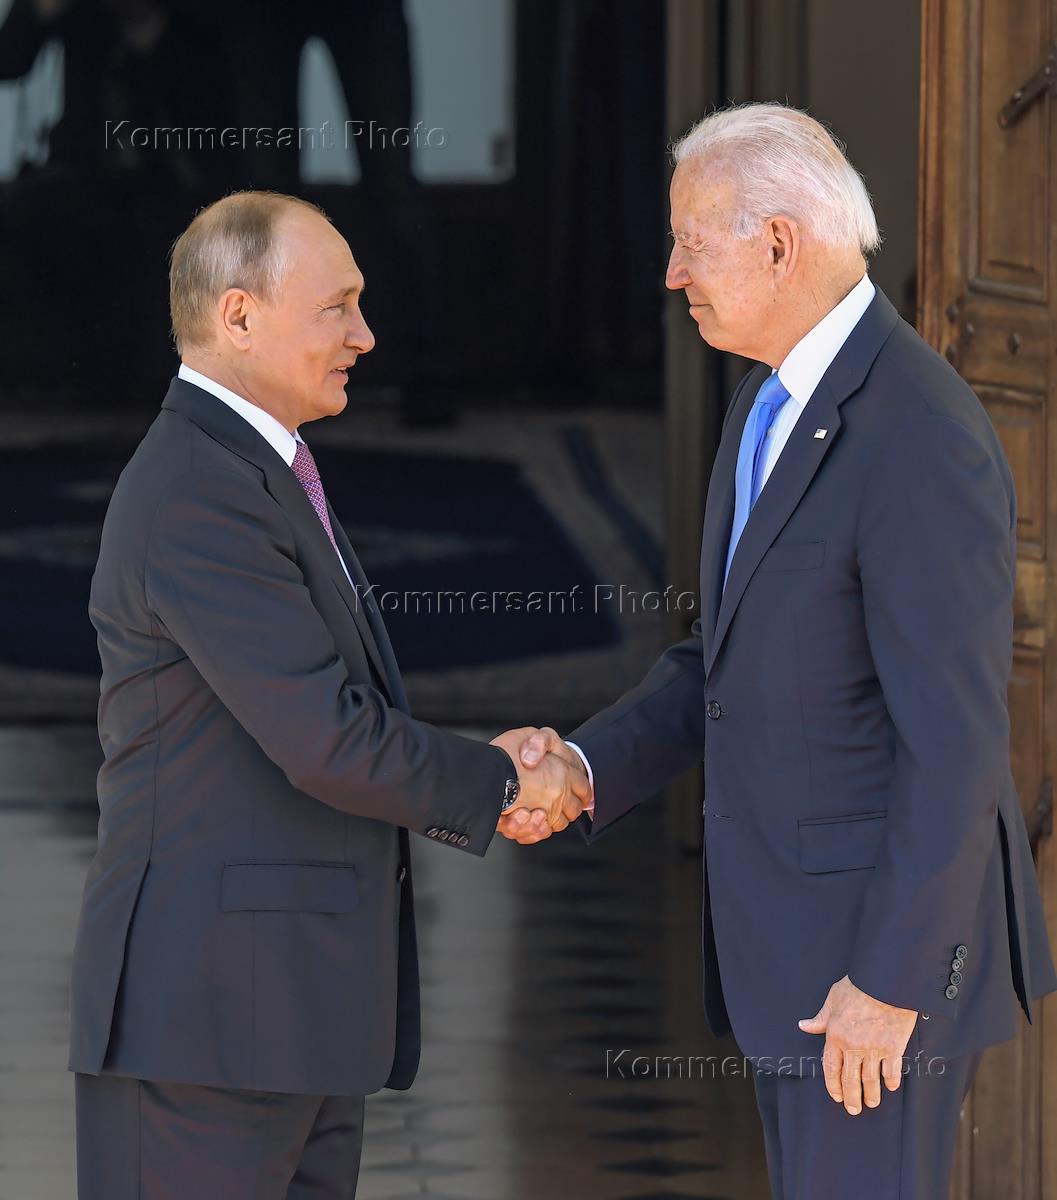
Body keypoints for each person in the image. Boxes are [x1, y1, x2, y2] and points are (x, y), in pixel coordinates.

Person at [509, 103, 1057, 1198]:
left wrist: (889, 983)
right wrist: (584, 766)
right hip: (798, 959)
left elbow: (953, 743)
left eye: (689, 243)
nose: (672, 274)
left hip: (871, 974)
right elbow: (723, 659)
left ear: (776, 244)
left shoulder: (916, 436)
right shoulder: (766, 404)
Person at [68, 190, 587, 1200]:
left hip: (286, 1022)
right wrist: (501, 780)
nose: (365, 335)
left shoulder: (256, 468)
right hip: (206, 1029)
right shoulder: (198, 488)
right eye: (336, 307)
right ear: (238, 316)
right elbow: (325, 739)